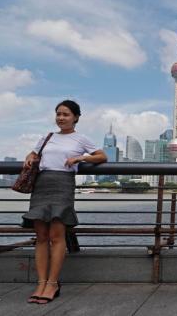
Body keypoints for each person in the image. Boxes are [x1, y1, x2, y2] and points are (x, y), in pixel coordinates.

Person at [22, 100, 107, 304]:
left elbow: (102, 156)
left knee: (56, 236)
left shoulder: (81, 138)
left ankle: (52, 283)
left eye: (66, 114)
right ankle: (41, 282)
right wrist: (29, 155)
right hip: (42, 185)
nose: (61, 118)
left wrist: (80, 159)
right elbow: (35, 154)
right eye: (58, 114)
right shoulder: (47, 137)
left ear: (76, 117)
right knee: (41, 236)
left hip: (62, 184)